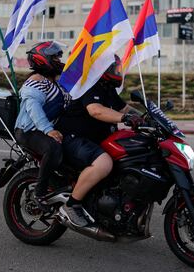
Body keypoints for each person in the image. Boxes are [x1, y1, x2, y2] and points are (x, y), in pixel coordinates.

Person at [56, 55, 144, 226]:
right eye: (115, 68)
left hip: (94, 139)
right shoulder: (89, 85)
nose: (118, 71)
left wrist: (148, 118)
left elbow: (124, 107)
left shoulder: (107, 88)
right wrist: (125, 119)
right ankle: (71, 205)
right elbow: (96, 110)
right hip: (74, 138)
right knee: (104, 164)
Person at [14, 41, 69, 209]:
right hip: (28, 131)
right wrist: (49, 130)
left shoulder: (55, 82)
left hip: (44, 129)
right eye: (55, 57)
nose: (59, 60)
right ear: (42, 59)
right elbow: (33, 108)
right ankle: (40, 193)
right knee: (53, 147)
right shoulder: (35, 82)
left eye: (59, 57)